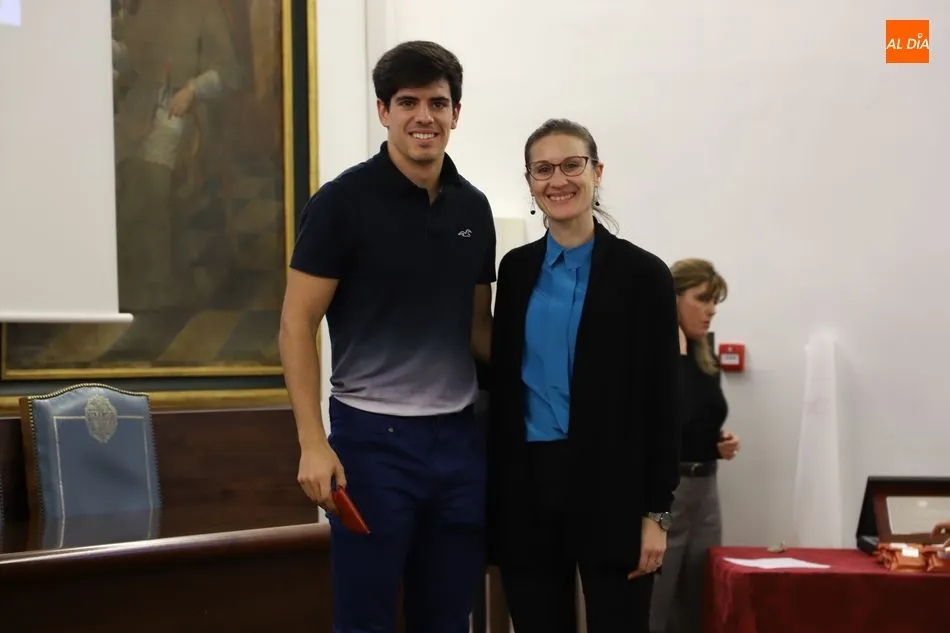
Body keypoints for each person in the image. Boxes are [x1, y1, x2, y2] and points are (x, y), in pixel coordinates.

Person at [279, 40, 496, 633]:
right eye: (408, 102)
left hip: (458, 442)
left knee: (447, 617)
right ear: (383, 111)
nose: (424, 116)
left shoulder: (473, 210)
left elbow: (479, 330)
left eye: (438, 103)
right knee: (366, 618)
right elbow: (296, 325)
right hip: (372, 443)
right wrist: (312, 443)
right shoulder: (340, 204)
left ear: (456, 112)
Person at [486, 118, 682, 633]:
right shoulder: (516, 271)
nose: (558, 180)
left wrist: (657, 513)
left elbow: (664, 402)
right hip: (529, 487)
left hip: (613, 489)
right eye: (543, 169)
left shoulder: (645, 276)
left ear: (597, 172)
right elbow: (503, 385)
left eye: (572, 165)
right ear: (529, 181)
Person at [649, 257, 738, 633]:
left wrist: (718, 442)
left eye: (715, 301)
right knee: (656, 598)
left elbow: (696, 420)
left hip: (705, 491)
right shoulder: (655, 356)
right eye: (702, 299)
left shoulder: (705, 357)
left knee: (700, 600)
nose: (711, 310)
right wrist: (677, 348)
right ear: (672, 298)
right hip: (666, 494)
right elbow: (669, 417)